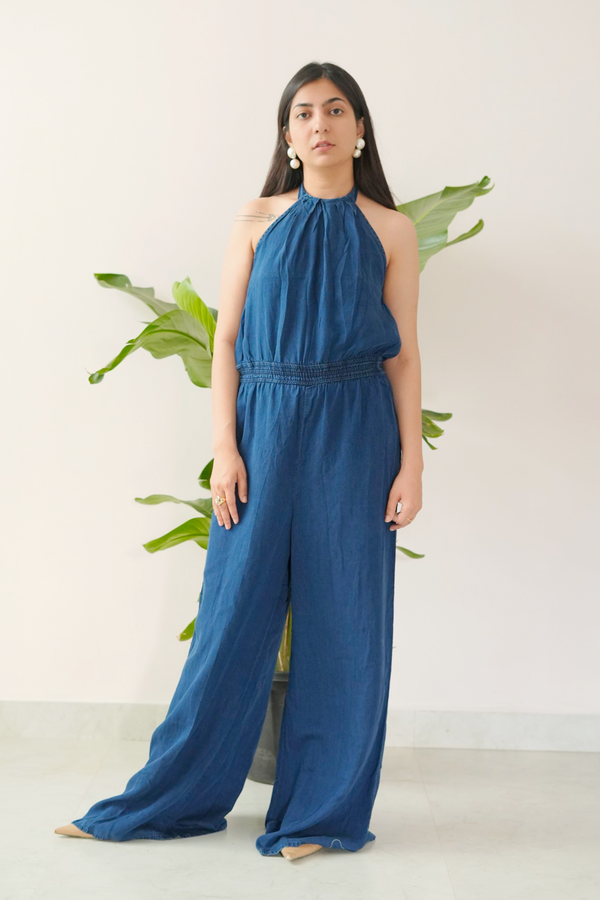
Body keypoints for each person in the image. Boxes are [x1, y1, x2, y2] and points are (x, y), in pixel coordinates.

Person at [55, 60, 423, 860]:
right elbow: (224, 341)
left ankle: (320, 816)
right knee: (231, 616)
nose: (318, 124)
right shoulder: (256, 220)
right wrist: (225, 447)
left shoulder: (392, 230)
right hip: (263, 427)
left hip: (356, 433)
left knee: (348, 620)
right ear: (287, 137)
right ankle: (172, 795)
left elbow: (403, 355)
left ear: (360, 129)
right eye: (302, 114)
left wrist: (412, 466)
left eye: (335, 110)